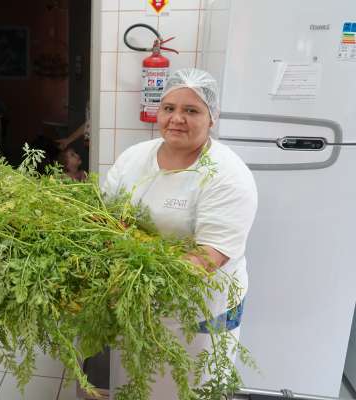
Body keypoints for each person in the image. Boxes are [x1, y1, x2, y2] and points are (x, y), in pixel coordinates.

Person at [103, 68, 258, 399]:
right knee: (133, 383)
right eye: (169, 108)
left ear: (212, 117)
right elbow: (104, 217)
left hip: (200, 311)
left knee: (188, 387)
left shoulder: (227, 176)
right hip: (136, 303)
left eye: (191, 110)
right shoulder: (134, 158)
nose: (177, 119)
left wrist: (136, 267)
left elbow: (208, 257)